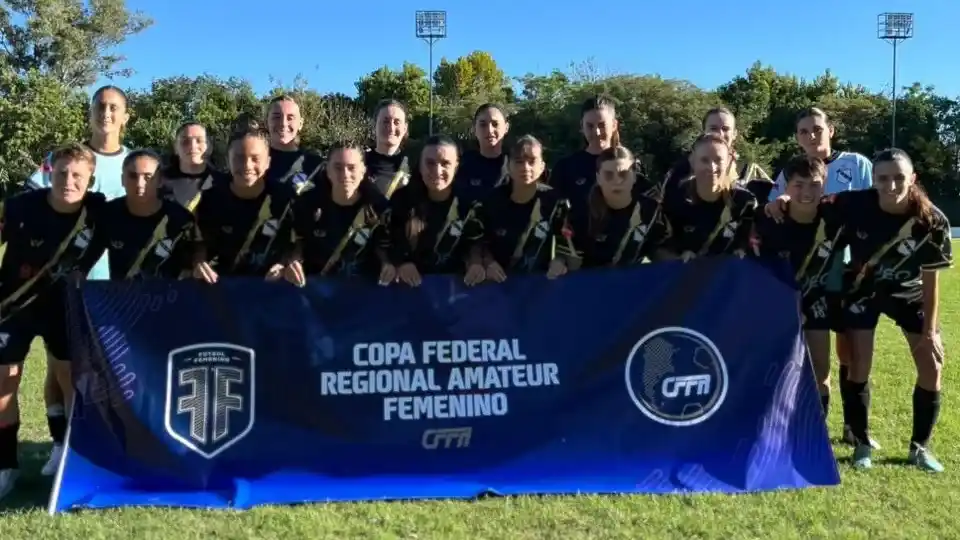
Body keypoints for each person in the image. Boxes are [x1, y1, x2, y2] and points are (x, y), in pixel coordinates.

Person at [25, 85, 130, 477]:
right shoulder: (64, 158)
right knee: (60, 368)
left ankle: (105, 441)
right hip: (63, 283)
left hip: (113, 285)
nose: (106, 113)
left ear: (125, 116)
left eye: (114, 107)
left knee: (108, 367)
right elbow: (33, 200)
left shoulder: (136, 162)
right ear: (90, 112)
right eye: (100, 106)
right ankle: (60, 444)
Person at [826, 149, 951, 472]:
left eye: (899, 177)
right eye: (883, 178)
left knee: (932, 366)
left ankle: (919, 448)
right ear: (873, 180)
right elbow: (810, 203)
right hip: (862, 289)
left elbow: (931, 281)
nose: (891, 185)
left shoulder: (931, 220)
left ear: (913, 179)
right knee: (858, 365)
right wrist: (781, 201)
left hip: (908, 292)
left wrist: (929, 332)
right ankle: (862, 443)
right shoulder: (853, 204)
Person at [0, 144, 107, 500]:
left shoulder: (98, 211)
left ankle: (69, 454)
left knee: (70, 380)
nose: (69, 181)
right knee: (4, 382)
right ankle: (5, 465)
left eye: (77, 175)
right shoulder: (19, 206)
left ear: (90, 179)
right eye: (62, 173)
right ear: (50, 173)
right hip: (14, 306)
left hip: (64, 307)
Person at [766, 106, 876, 449]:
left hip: (849, 274)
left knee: (851, 355)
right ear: (797, 137)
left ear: (831, 130)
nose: (811, 136)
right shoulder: (790, 171)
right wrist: (778, 201)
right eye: (804, 131)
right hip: (811, 277)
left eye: (817, 128)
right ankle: (814, 429)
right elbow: (776, 206)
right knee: (816, 360)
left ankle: (854, 427)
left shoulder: (856, 164)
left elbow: (874, 208)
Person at [750, 155, 844, 416]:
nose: (806, 192)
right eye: (798, 185)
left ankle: (817, 430)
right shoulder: (767, 219)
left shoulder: (836, 217)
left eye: (814, 184)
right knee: (774, 369)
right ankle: (771, 427)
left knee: (820, 370)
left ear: (824, 185)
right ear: (786, 186)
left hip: (817, 301)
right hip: (778, 302)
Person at [191, 126, 298, 283]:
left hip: (271, 286)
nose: (247, 166)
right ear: (228, 160)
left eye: (255, 158)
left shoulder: (285, 198)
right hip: (221, 287)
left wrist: (286, 264)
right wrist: (199, 263)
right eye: (239, 158)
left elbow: (298, 242)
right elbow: (198, 243)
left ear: (268, 162)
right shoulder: (210, 200)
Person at [282, 142, 395, 286]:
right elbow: (297, 243)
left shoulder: (378, 208)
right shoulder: (307, 204)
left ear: (363, 171)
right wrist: (292, 262)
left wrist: (388, 264)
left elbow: (384, 248)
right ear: (327, 170)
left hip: (365, 290)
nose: (345, 174)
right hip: (315, 289)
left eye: (352, 168)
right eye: (338, 167)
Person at [549, 145, 664, 277]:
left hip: (630, 284)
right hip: (589, 283)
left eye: (623, 174)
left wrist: (682, 264)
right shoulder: (581, 211)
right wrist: (559, 263)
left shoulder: (650, 210)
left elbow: (660, 251)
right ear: (598, 178)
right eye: (608, 175)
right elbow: (566, 255)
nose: (617, 181)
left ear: (634, 177)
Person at [389, 135, 486, 287]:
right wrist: (402, 262)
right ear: (420, 165)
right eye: (430, 163)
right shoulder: (402, 200)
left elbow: (476, 242)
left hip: (456, 289)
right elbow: (388, 240)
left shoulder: (468, 203)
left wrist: (475, 263)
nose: (437, 170)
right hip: (410, 289)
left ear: (456, 166)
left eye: (445, 163)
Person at [88, 150, 198, 280]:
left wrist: (198, 265)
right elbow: (87, 256)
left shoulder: (180, 219)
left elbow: (195, 263)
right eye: (133, 176)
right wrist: (79, 271)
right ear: (122, 180)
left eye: (148, 177)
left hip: (169, 292)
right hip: (122, 292)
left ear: (160, 181)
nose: (140, 184)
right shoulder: (108, 214)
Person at [476, 135, 571, 280]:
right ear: (508, 166)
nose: (525, 167)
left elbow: (565, 244)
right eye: (519, 161)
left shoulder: (555, 202)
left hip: (541, 283)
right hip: (498, 283)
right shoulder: (492, 201)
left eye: (532, 161)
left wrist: (559, 261)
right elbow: (479, 243)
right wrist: (488, 262)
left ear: (542, 166)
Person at [656, 133, 757, 261]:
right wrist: (679, 260)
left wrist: (742, 250)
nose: (712, 167)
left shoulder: (745, 202)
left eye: (718, 160)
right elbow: (660, 249)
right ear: (693, 161)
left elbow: (752, 243)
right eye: (704, 160)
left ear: (729, 162)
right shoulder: (676, 198)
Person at [664, 107, 774, 203]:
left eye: (725, 129)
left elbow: (775, 199)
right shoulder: (682, 169)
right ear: (704, 131)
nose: (720, 133)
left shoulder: (749, 170)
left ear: (734, 134)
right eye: (713, 128)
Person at [550, 95, 623, 206]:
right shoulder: (565, 168)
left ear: (614, 125)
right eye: (590, 126)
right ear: (582, 126)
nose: (596, 132)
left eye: (602, 125)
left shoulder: (629, 166)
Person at [158, 122, 229, 212]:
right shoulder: (158, 181)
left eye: (199, 140)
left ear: (209, 147)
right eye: (185, 141)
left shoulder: (223, 183)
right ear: (176, 148)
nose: (193, 146)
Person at [264, 95, 324, 192]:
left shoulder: (315, 164)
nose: (283, 123)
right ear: (266, 122)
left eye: (290, 118)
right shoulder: (251, 161)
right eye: (276, 117)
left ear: (300, 124)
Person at [453, 103, 510, 205]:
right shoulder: (462, 167)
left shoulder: (516, 166)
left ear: (506, 128)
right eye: (483, 125)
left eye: (495, 124)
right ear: (474, 129)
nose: (489, 130)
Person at [365, 99, 411, 198]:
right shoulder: (358, 164)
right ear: (374, 125)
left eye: (397, 122)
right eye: (385, 121)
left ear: (405, 128)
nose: (391, 128)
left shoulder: (415, 167)